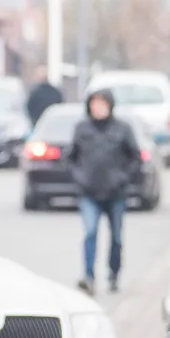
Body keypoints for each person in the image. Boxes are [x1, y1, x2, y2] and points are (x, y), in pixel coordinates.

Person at [67, 89, 140, 295]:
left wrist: (123, 178)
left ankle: (114, 273)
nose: (98, 108)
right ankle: (88, 276)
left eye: (102, 104)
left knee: (116, 236)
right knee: (90, 232)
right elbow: (71, 158)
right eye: (94, 104)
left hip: (115, 193)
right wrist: (79, 179)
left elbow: (135, 157)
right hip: (89, 192)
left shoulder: (122, 129)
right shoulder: (82, 129)